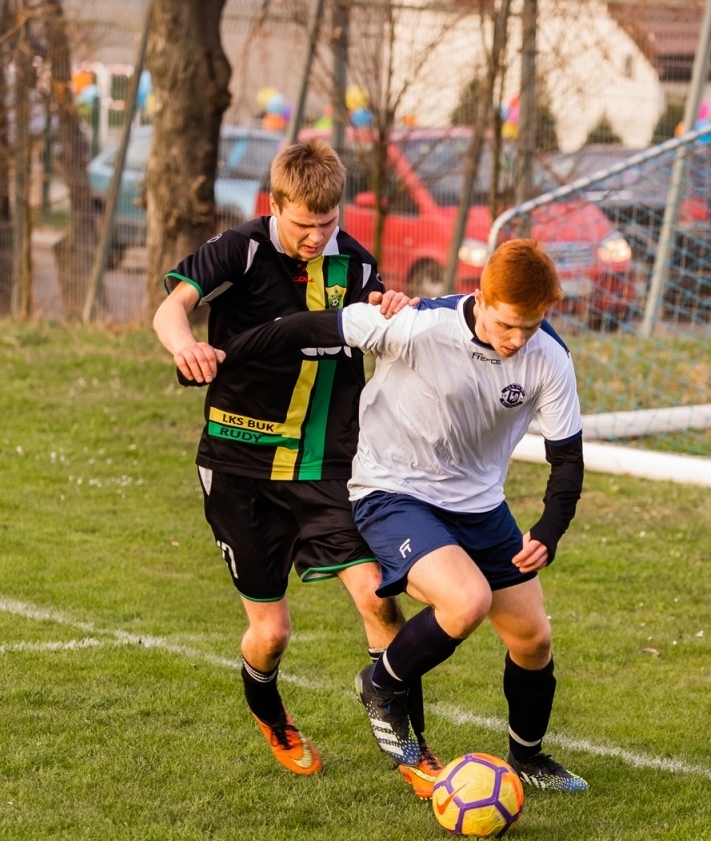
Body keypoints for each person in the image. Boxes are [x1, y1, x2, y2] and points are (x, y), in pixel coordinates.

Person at [214, 239, 590, 793]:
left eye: (530, 327)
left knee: (532, 638)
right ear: (481, 298)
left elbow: (567, 460)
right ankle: (381, 685)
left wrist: (549, 531)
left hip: (481, 505)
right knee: (466, 602)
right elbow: (305, 329)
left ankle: (528, 759)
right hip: (393, 492)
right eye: (508, 325)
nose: (518, 339)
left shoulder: (548, 357)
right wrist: (224, 357)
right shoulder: (415, 326)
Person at [155, 138, 418, 782]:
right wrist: (185, 346)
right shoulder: (240, 249)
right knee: (270, 633)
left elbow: (382, 333)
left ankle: (413, 748)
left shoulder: (354, 265)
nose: (315, 237)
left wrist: (394, 309)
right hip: (240, 467)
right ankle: (269, 710)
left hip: (328, 465)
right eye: (303, 225)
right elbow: (172, 308)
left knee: (379, 600)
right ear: (276, 205)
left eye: (328, 224)